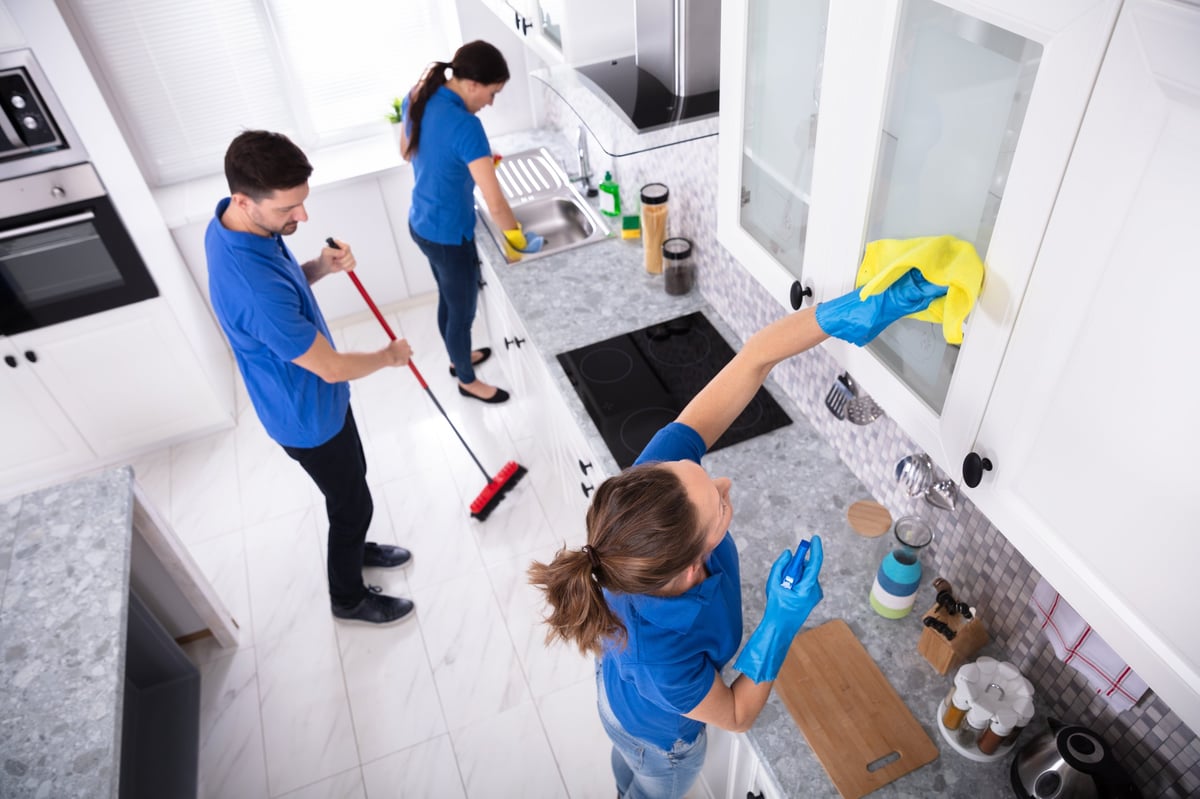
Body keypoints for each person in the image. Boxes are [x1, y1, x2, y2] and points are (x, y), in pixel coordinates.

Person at [528, 271, 949, 798]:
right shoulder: (663, 654)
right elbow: (733, 713)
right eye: (720, 504)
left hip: (620, 691)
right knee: (644, 781)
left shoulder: (650, 494)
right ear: (689, 566)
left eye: (699, 471)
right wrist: (781, 618)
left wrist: (841, 315)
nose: (723, 481)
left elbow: (754, 359)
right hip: (659, 740)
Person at [206, 130, 416, 626]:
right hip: (306, 416)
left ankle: (357, 545)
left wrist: (320, 265)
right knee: (351, 505)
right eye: (289, 210)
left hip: (315, 400)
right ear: (244, 199)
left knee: (352, 486)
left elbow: (286, 290)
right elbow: (331, 366)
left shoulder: (234, 225)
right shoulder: (252, 286)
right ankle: (347, 599)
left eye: (302, 203)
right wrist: (388, 356)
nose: (302, 217)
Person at [400, 40, 543, 405]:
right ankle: (466, 379)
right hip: (449, 234)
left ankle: (455, 356)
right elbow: (495, 203)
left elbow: (406, 152)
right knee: (461, 312)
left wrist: (465, 162)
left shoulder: (419, 95)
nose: (491, 103)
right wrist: (518, 239)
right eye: (493, 93)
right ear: (473, 84)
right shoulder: (467, 126)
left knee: (448, 301)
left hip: (421, 222)